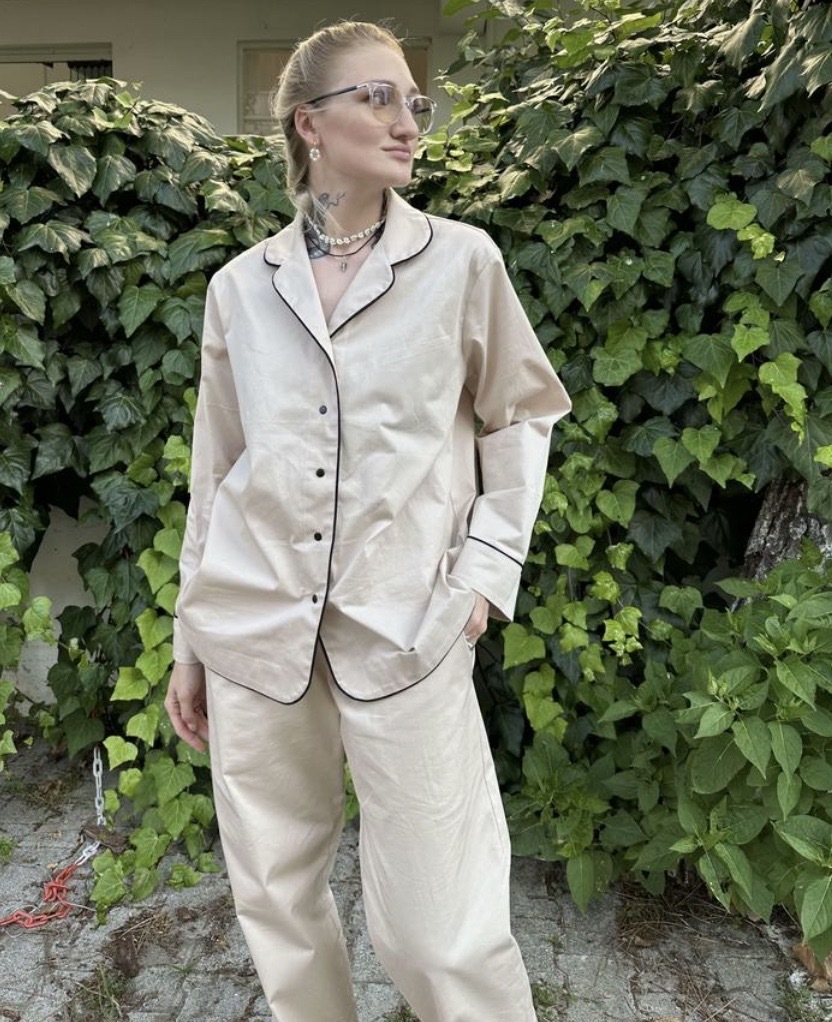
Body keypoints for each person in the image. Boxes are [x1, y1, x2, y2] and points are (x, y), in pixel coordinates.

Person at [164, 19, 571, 1022]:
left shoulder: (461, 262)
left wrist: (484, 575)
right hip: (254, 627)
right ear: (309, 123)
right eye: (378, 97)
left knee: (442, 929)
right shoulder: (240, 288)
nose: (408, 121)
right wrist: (190, 640)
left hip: (408, 624)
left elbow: (521, 414)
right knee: (275, 899)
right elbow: (217, 468)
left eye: (413, 101)